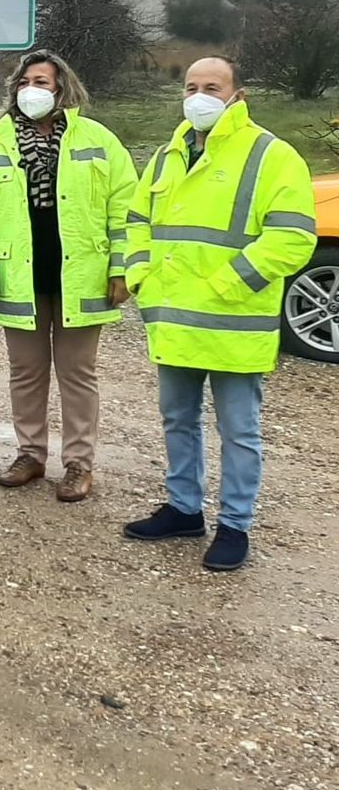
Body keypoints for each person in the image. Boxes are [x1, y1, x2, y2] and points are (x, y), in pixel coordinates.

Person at [122, 57, 316, 571]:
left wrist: (230, 282)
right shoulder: (168, 154)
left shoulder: (271, 155)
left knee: (240, 431)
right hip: (175, 319)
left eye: (213, 86)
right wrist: (141, 273)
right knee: (177, 420)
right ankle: (184, 508)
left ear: (238, 95)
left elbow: (293, 237)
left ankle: (235, 524)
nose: (199, 95)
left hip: (233, 321)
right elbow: (137, 220)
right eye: (191, 86)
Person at [0, 49, 137, 503]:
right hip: (19, 275)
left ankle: (78, 464)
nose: (32, 89)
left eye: (43, 81)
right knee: (26, 372)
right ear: (14, 88)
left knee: (78, 374)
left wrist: (121, 269)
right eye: (25, 81)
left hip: (83, 274)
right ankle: (30, 454)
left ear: (62, 88)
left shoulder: (98, 140)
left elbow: (125, 209)